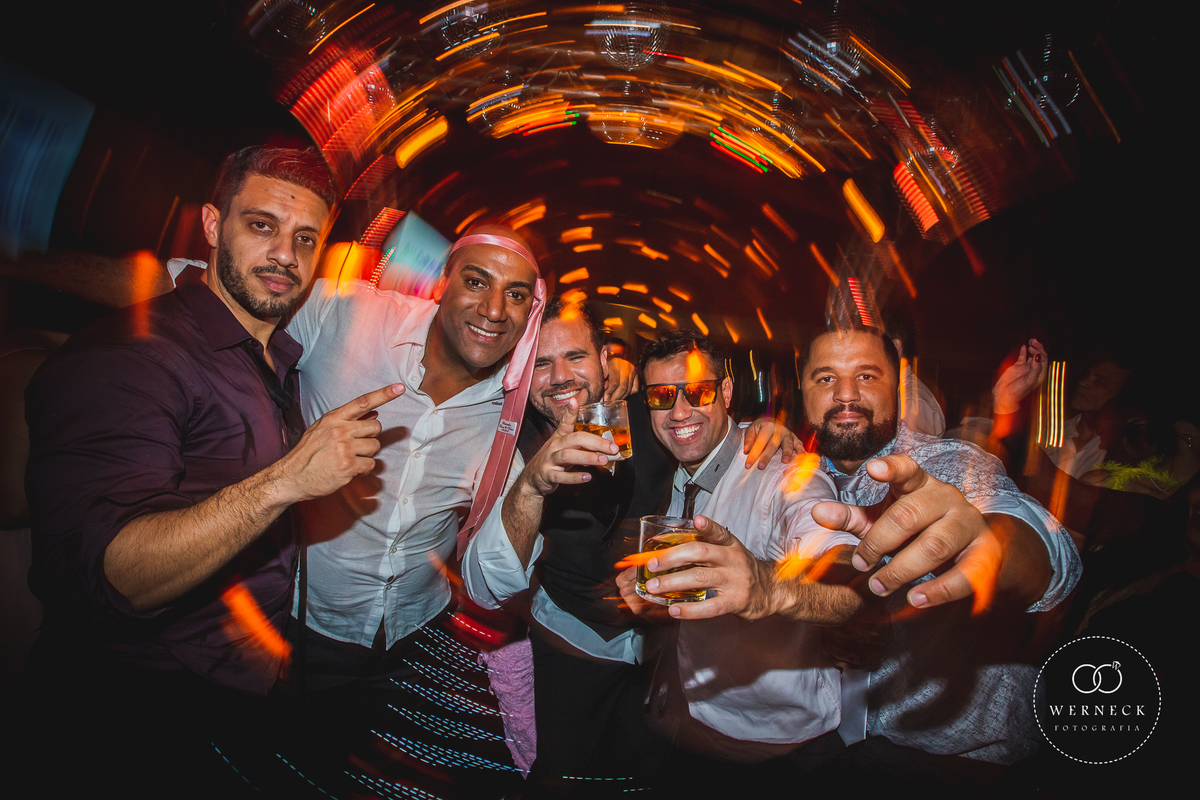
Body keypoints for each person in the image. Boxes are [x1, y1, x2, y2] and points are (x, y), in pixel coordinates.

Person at [21, 146, 401, 790]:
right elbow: (111, 577)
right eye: (262, 225)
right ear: (212, 225)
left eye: (305, 238)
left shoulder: (275, 357)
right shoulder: (134, 356)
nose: (285, 255)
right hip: (124, 715)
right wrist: (288, 479)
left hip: (232, 698)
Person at [463, 304, 797, 794]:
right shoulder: (511, 443)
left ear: (604, 360)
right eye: (541, 362)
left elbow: (702, 423)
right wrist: (532, 484)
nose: (561, 376)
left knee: (649, 771)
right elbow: (486, 585)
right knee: (563, 773)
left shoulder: (653, 410)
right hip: (572, 637)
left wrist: (762, 429)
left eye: (576, 357)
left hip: (657, 643)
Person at [798, 325, 1080, 784]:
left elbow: (1032, 542)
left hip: (953, 764)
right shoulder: (789, 477)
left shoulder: (950, 464)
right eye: (826, 378)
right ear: (803, 390)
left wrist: (992, 549)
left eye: (867, 376)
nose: (846, 394)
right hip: (819, 747)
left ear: (897, 385)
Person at [606, 330, 864, 791]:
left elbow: (847, 586)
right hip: (688, 724)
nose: (680, 412)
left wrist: (768, 587)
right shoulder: (677, 473)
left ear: (725, 391)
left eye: (698, 392)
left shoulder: (783, 473)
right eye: (662, 397)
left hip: (777, 749)